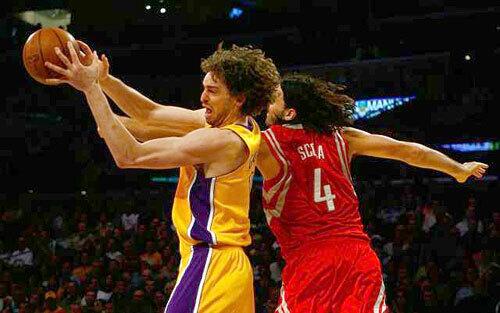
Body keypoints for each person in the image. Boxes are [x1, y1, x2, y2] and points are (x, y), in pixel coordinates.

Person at [100, 67, 488, 312]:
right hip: (357, 256)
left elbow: (160, 122)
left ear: (288, 114)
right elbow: (406, 151)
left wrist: (105, 111)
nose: (269, 101)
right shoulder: (343, 137)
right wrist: (456, 168)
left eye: (277, 99)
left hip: (309, 262)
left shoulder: (262, 143)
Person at [44, 41, 280, 313]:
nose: (203, 98)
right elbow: (150, 113)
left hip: (212, 265)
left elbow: (130, 155)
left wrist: (90, 88)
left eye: (212, 92)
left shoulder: (221, 140)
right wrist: (104, 79)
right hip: (220, 265)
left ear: (239, 98)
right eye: (204, 88)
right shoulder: (241, 125)